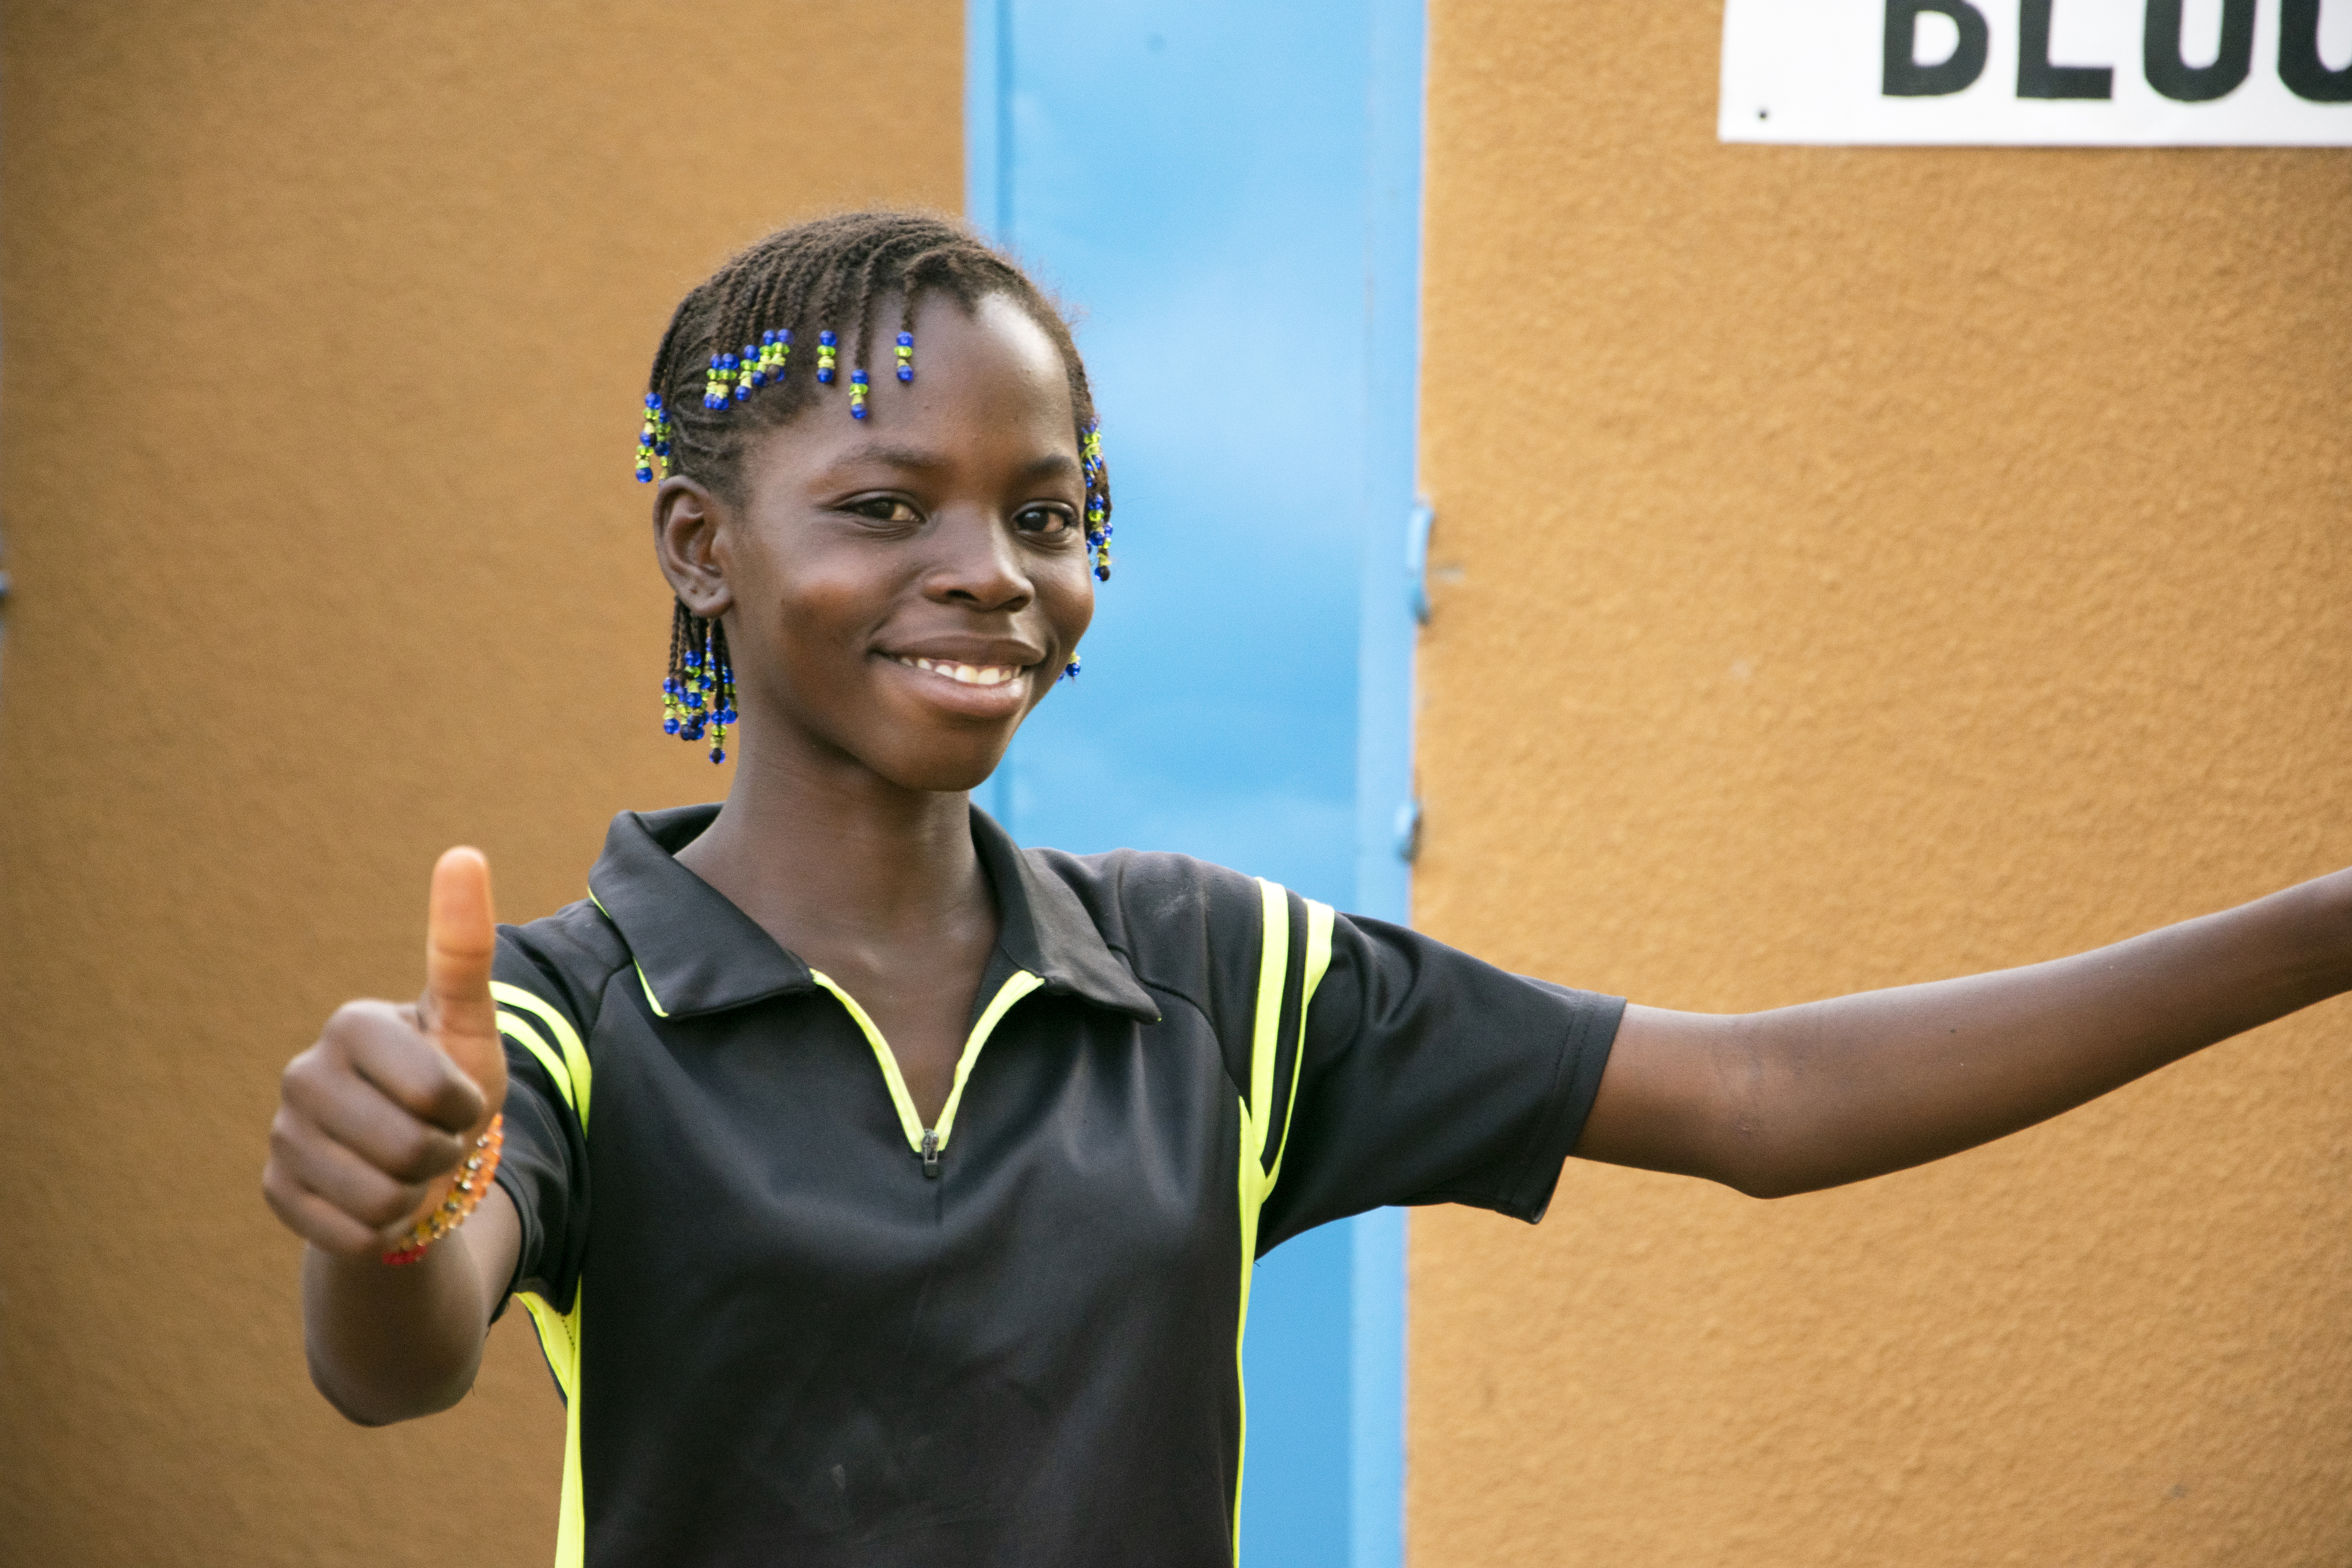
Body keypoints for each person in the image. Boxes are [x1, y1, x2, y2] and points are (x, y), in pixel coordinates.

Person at [261, 211, 2351, 1568]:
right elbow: (405, 1354)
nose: (994, 569)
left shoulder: (1211, 978)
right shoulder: (565, 1008)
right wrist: (392, 1221)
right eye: (886, 507)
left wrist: (2323, 926)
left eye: (1051, 512)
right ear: (704, 549)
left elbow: (1759, 1102)